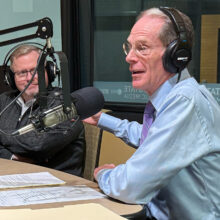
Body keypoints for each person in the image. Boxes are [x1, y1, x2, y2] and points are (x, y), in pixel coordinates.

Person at [84, 7, 220, 220]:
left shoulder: (185, 102)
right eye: (129, 47)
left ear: (177, 55)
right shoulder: (169, 97)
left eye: (142, 48)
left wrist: (103, 174)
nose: (129, 57)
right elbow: (153, 138)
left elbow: (130, 186)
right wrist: (103, 120)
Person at [0, 44, 86, 176]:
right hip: (13, 176)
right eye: (22, 72)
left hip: (56, 184)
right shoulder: (4, 101)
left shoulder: (64, 104)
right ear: (11, 78)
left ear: (50, 71)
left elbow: (37, 145)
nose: (29, 78)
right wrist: (11, 156)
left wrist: (3, 139)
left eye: (36, 70)